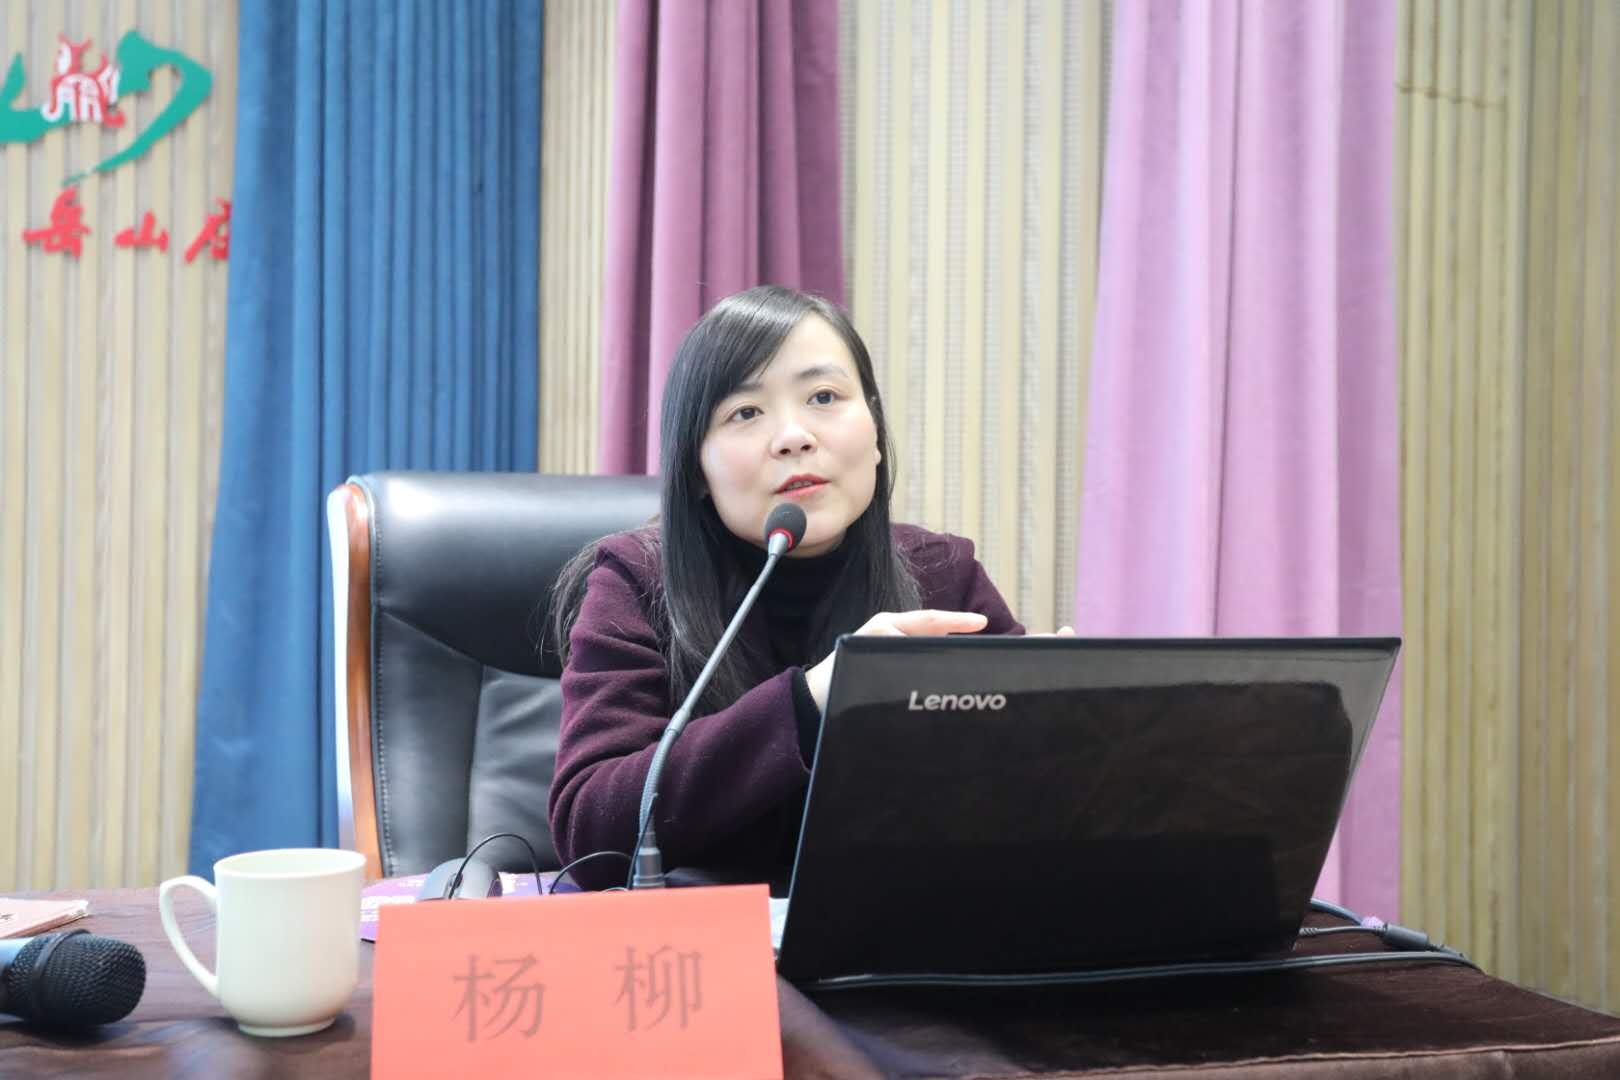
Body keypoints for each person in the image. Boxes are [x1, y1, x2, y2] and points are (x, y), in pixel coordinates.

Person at [547, 285, 1045, 892]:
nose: (793, 436)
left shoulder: (942, 574)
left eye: (824, 397)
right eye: (745, 413)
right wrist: (812, 698)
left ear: (876, 431)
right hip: (713, 939)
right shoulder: (639, 584)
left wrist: (1074, 722)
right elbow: (590, 835)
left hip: (900, 926)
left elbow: (1028, 808)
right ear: (696, 468)